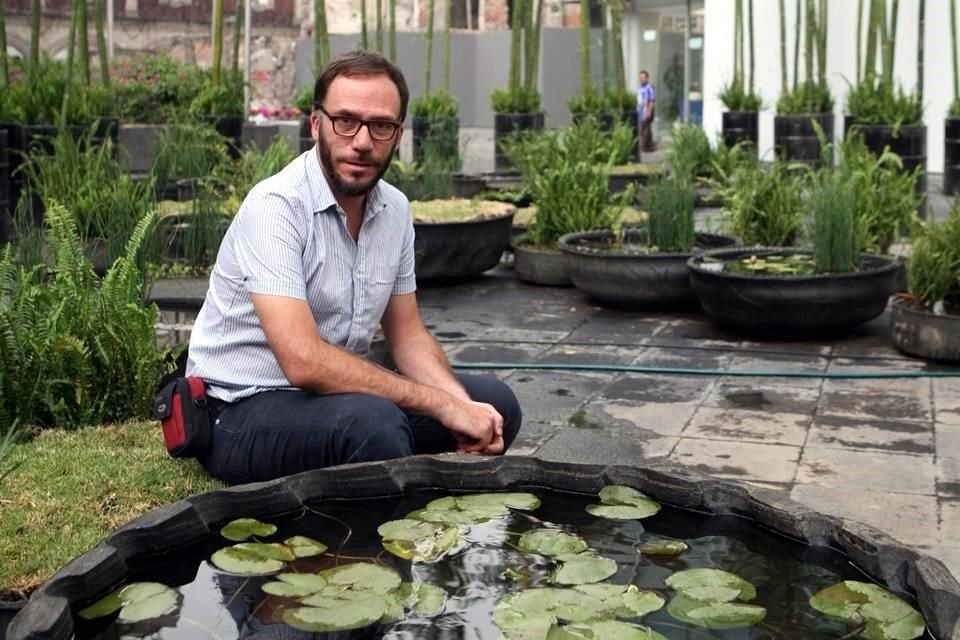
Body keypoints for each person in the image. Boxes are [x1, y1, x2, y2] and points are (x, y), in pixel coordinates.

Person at [185, 50, 522, 484]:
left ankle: (426, 508)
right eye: (345, 120)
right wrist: (439, 405)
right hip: (237, 410)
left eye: (380, 126)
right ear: (315, 124)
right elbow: (303, 361)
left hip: (336, 400)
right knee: (374, 425)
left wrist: (460, 405)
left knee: (497, 406)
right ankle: (377, 540)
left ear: (398, 135)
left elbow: (408, 335)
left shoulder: (394, 210)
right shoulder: (276, 207)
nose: (362, 141)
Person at [637, 70, 656, 152]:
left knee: (645, 129)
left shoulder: (649, 88)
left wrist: (649, 111)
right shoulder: (640, 88)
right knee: (644, 128)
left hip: (646, 110)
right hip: (640, 111)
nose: (641, 79)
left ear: (647, 78)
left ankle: (644, 146)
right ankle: (648, 145)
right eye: (640, 77)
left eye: (643, 77)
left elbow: (651, 100)